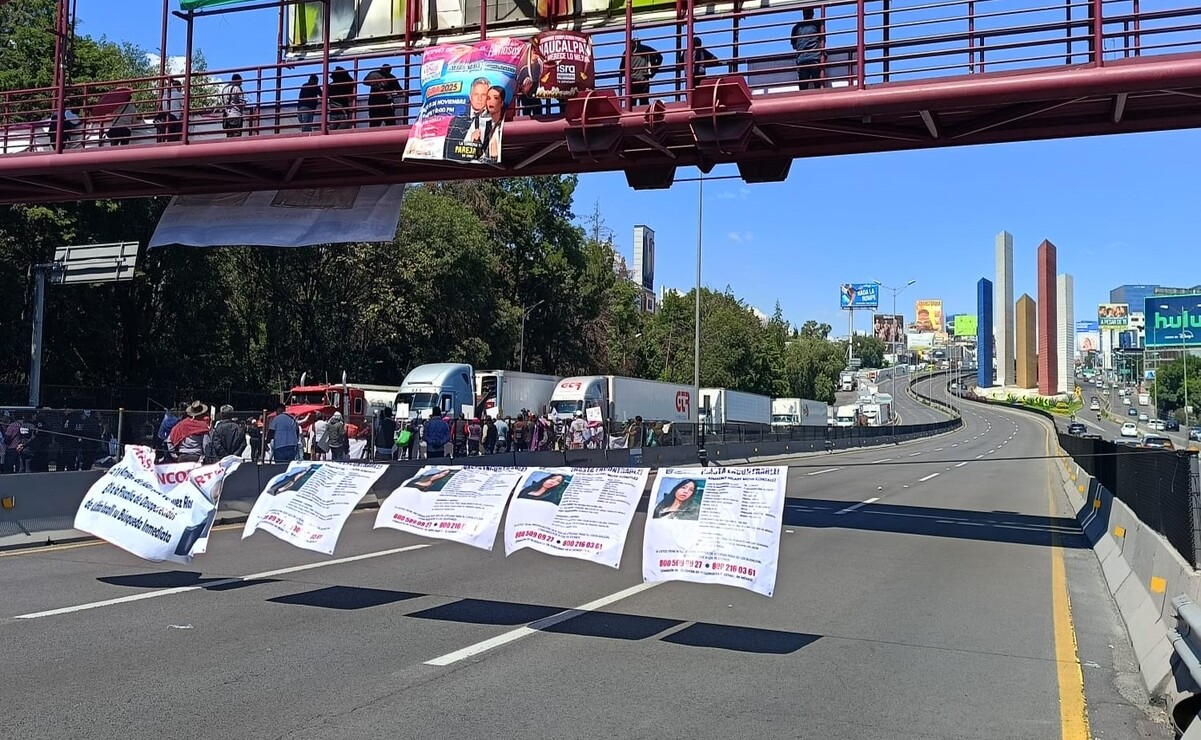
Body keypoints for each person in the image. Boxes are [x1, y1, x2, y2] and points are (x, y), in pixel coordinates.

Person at [443, 77, 491, 161]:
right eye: (476, 94)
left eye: (483, 95)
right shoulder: (457, 121)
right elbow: (448, 154)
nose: (479, 99)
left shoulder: (494, 120)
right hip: (461, 169)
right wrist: (469, 144)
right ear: (470, 96)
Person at [620, 38, 662, 108]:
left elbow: (621, 70)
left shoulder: (626, 52)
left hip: (631, 81)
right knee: (644, 103)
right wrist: (653, 71)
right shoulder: (646, 49)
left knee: (631, 105)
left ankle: (632, 117)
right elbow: (660, 57)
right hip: (643, 80)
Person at [791, 7, 825, 90]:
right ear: (813, 13)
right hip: (815, 58)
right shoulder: (818, 24)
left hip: (802, 60)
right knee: (817, 86)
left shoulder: (796, 27)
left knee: (803, 88)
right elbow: (823, 40)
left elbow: (794, 45)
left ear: (803, 13)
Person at [480, 85, 507, 162]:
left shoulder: (504, 127)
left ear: (502, 102)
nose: (491, 102)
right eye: (488, 98)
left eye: (496, 98)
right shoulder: (481, 125)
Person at [156, 78, 183, 142]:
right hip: (173, 118)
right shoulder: (179, 94)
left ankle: (160, 141)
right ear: (178, 87)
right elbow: (185, 107)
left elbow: (160, 107)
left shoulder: (164, 94)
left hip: (163, 118)